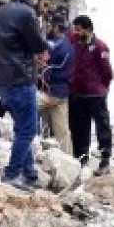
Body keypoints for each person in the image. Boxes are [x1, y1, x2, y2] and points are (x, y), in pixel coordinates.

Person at [0, 0, 53, 191]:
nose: (44, 10)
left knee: (21, 129)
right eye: (44, 5)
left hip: (4, 80)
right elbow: (38, 45)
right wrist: (43, 38)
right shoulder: (26, 13)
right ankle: (12, 174)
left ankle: (29, 174)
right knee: (27, 130)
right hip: (21, 79)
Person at [67, 15, 113, 175]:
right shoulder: (75, 45)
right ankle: (81, 160)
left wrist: (102, 87)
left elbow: (107, 72)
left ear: (88, 30)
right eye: (75, 29)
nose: (76, 32)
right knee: (79, 129)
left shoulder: (100, 47)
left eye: (79, 30)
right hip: (78, 95)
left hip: (95, 95)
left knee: (102, 128)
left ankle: (105, 160)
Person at [37, 12, 74, 154]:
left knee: (26, 105)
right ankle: (68, 159)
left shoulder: (54, 46)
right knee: (62, 130)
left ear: (56, 27)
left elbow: (45, 69)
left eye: (50, 25)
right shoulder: (69, 45)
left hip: (51, 92)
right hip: (62, 92)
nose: (48, 28)